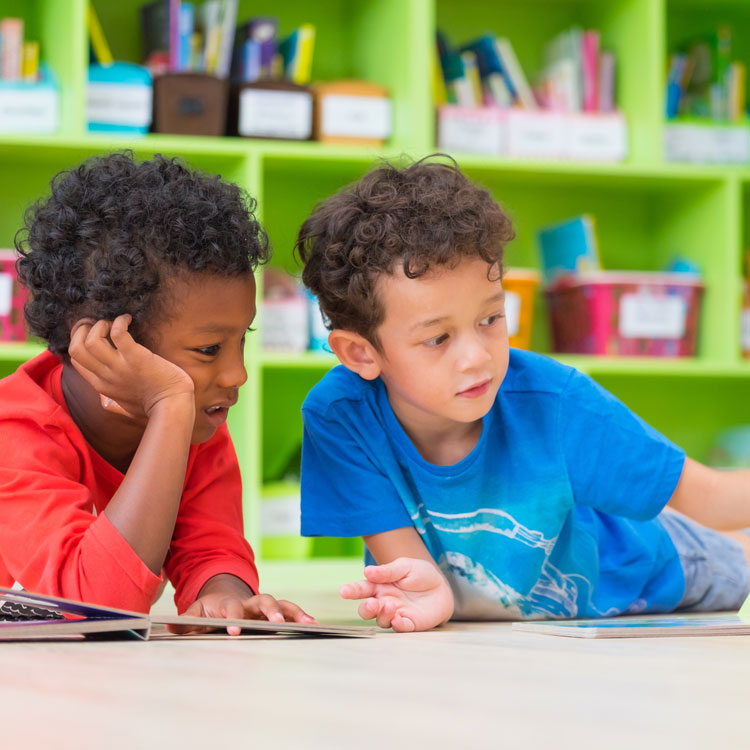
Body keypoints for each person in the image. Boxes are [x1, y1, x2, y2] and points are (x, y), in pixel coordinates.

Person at [295, 155, 750, 633]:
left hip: (658, 566)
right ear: (361, 354)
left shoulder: (557, 402)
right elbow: (418, 576)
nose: (477, 357)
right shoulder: (340, 417)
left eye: (491, 319)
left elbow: (709, 496)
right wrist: (424, 593)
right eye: (438, 339)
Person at [0, 151, 314, 633]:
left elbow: (210, 545)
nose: (237, 375)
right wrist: (169, 406)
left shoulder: (194, 425)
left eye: (241, 340)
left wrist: (224, 597)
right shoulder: (14, 432)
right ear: (106, 344)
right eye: (209, 349)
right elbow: (96, 610)